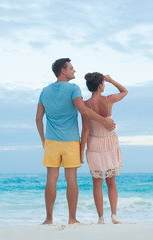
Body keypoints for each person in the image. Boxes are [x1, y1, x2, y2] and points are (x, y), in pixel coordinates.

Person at [36, 58, 116, 225]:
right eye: (71, 68)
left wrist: (43, 140)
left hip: (51, 140)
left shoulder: (45, 91)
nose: (74, 71)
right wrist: (104, 120)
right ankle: (72, 219)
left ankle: (48, 219)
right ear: (63, 71)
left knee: (51, 178)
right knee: (71, 179)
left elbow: (38, 119)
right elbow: (83, 110)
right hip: (71, 140)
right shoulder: (73, 89)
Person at [80, 72, 128, 224]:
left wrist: (81, 152)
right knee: (111, 182)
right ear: (101, 86)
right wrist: (112, 79)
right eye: (104, 83)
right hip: (109, 143)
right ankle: (114, 215)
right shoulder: (108, 100)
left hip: (94, 144)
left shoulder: (85, 105)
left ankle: (101, 218)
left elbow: (85, 130)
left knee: (97, 183)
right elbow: (125, 91)